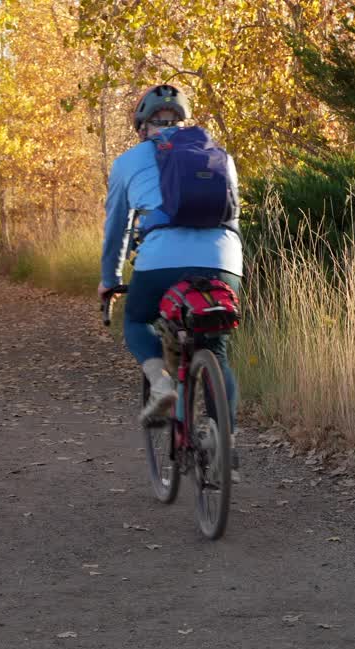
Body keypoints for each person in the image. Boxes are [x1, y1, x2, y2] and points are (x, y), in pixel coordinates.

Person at [97, 84, 243, 429]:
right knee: (216, 349)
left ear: (143, 126)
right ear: (183, 120)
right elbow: (234, 220)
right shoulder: (220, 156)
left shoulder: (127, 162)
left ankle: (161, 383)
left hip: (161, 259)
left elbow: (117, 228)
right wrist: (232, 273)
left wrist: (110, 280)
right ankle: (226, 446)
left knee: (135, 321)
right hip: (224, 260)